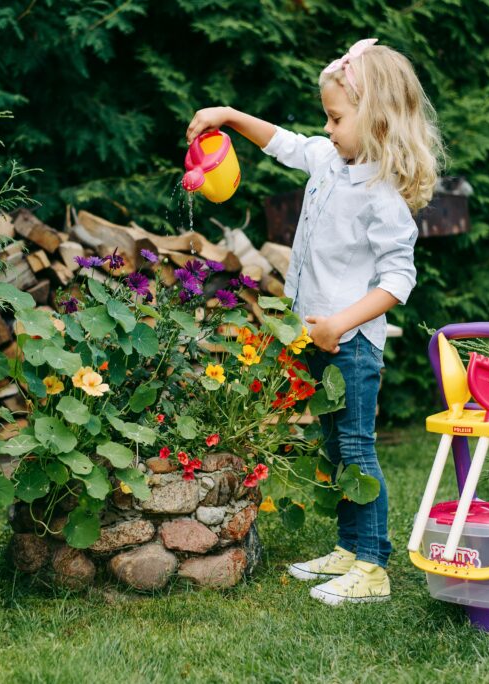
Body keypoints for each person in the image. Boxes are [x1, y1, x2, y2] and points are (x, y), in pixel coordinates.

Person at [186, 39, 442, 604]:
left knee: (356, 448)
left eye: (336, 117)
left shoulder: (382, 194)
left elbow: (399, 280)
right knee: (333, 448)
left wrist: (340, 325)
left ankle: (373, 567)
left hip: (350, 344)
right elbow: (281, 142)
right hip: (316, 335)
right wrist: (226, 116)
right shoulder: (330, 160)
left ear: (375, 118)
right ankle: (350, 549)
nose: (327, 129)